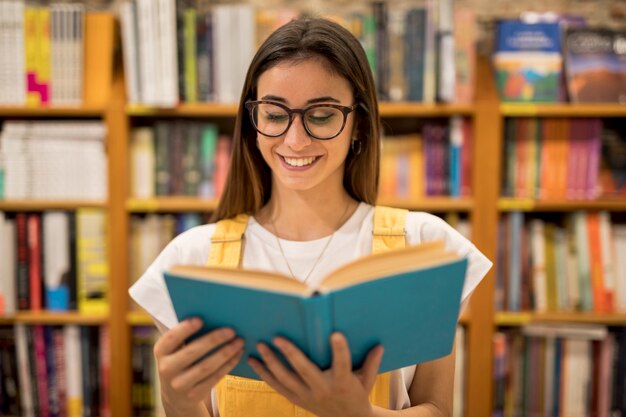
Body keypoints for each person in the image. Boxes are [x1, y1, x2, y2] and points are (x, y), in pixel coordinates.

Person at [129, 17, 492, 417]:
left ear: (358, 124)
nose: (295, 139)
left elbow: (438, 409)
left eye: (320, 115)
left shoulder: (425, 245)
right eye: (274, 114)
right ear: (253, 122)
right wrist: (175, 402)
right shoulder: (190, 260)